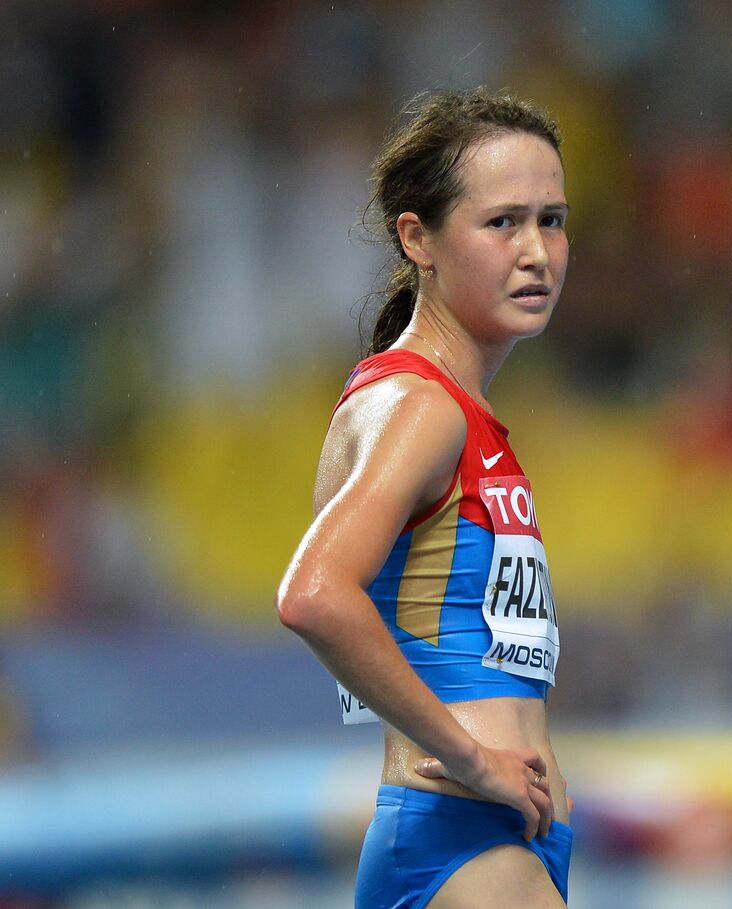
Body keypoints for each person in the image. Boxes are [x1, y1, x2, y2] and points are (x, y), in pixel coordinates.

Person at [276, 87, 574, 908]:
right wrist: (474, 757)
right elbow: (313, 594)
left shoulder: (459, 416)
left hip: (490, 842)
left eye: (552, 220)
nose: (537, 251)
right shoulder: (419, 406)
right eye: (502, 221)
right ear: (419, 238)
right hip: (460, 842)